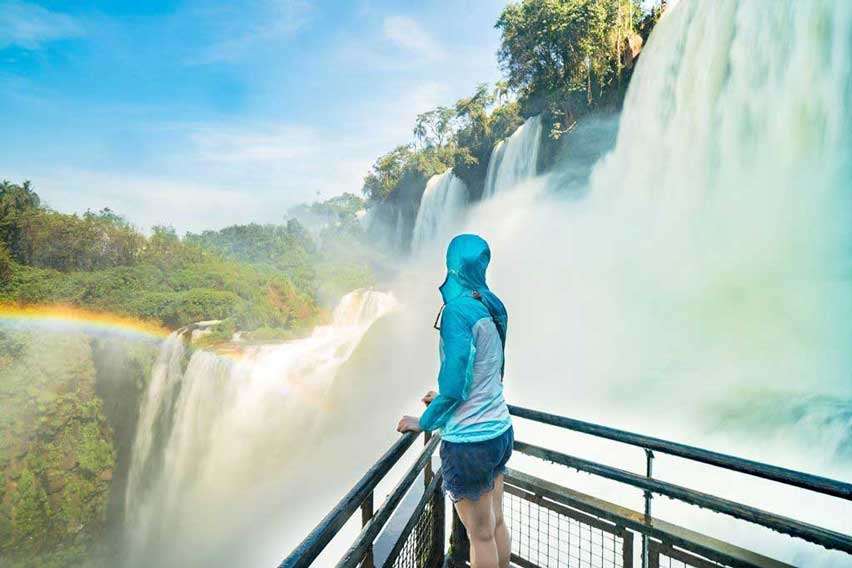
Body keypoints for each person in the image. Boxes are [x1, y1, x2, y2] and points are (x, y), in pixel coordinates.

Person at [397, 234, 512, 568]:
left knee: (480, 537)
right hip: (499, 431)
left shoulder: (458, 312)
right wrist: (446, 400)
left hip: (471, 442)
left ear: (453, 266)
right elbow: (488, 371)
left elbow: (454, 382)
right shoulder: (492, 306)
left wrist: (426, 420)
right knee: (496, 523)